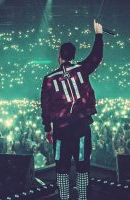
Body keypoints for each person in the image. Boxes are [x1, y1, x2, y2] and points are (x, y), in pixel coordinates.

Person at [40, 19, 103, 200]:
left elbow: (46, 106)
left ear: (59, 55)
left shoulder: (49, 79)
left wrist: (48, 129)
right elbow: (96, 57)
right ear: (73, 55)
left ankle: (65, 197)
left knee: (62, 167)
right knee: (83, 165)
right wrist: (98, 35)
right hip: (82, 128)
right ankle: (83, 197)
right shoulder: (81, 70)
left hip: (60, 130)